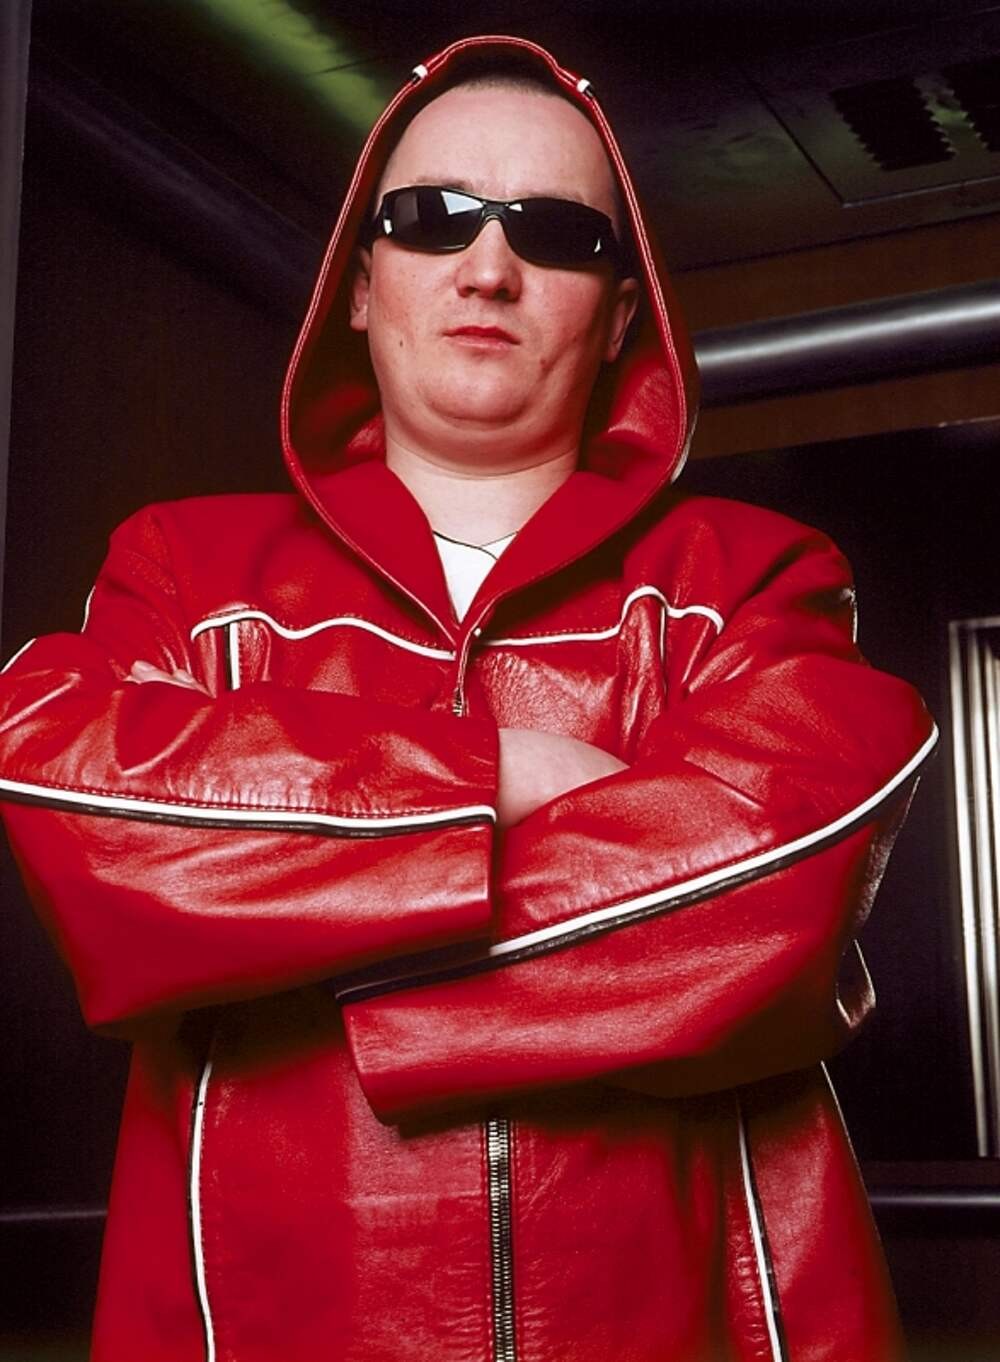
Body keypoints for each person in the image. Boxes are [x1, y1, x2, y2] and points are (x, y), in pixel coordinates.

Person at [0, 33, 936, 1362]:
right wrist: (497, 777)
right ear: (360, 285)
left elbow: (787, 894)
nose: (488, 267)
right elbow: (64, 788)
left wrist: (301, 943)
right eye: (433, 217)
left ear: (621, 316)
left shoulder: (751, 580)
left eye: (554, 233)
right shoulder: (184, 572)